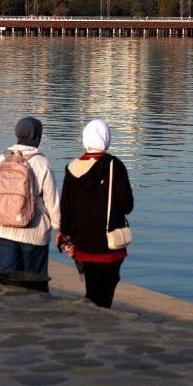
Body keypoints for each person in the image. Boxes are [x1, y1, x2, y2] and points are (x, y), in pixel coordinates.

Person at [58, 119, 133, 308]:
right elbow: (127, 205)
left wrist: (64, 234)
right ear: (106, 138)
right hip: (108, 245)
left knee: (92, 287)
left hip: (81, 244)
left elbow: (65, 207)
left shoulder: (72, 168)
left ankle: (92, 316)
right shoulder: (114, 166)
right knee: (106, 288)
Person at [0, 117, 60, 282]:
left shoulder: (1, 159)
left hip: (4, 229)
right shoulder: (42, 163)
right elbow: (52, 201)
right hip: (34, 233)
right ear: (37, 136)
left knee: (4, 283)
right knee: (34, 285)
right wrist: (59, 228)